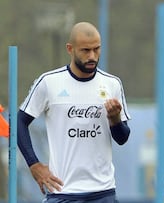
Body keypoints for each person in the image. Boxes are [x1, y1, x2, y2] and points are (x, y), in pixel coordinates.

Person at [17, 22, 131, 202]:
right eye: (85, 50)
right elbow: (20, 122)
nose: (92, 56)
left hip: (103, 193)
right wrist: (34, 164)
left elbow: (122, 138)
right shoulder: (49, 82)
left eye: (96, 49)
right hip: (63, 192)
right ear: (70, 49)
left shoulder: (112, 84)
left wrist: (115, 119)